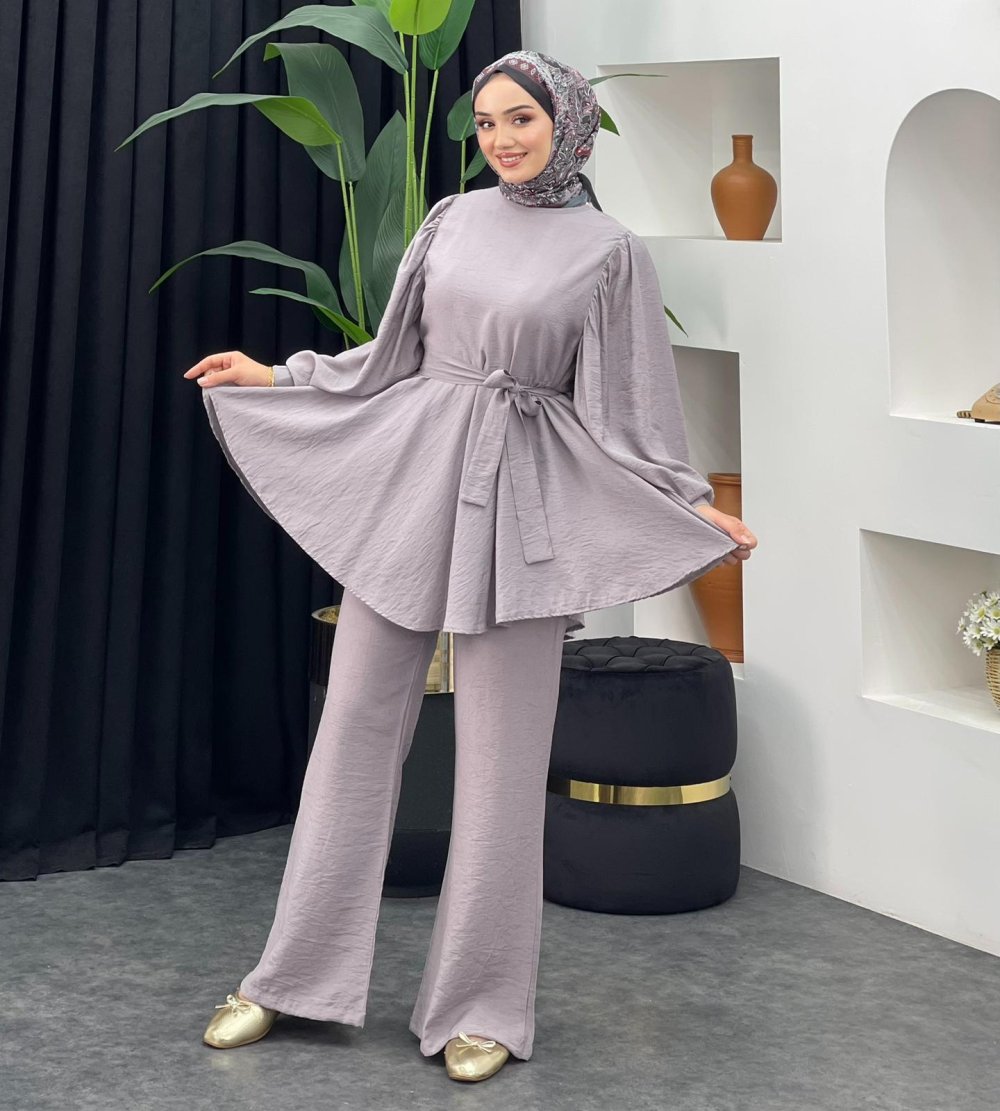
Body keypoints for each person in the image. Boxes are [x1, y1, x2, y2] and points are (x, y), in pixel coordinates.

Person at [182, 49, 757, 1083]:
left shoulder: (610, 252)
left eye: (519, 119)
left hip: (523, 509)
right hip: (413, 481)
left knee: (501, 761)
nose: (500, 139)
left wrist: (685, 503)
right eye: (486, 122)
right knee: (351, 732)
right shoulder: (449, 219)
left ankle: (482, 1003)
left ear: (564, 123)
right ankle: (292, 978)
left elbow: (628, 406)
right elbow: (389, 357)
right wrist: (279, 375)